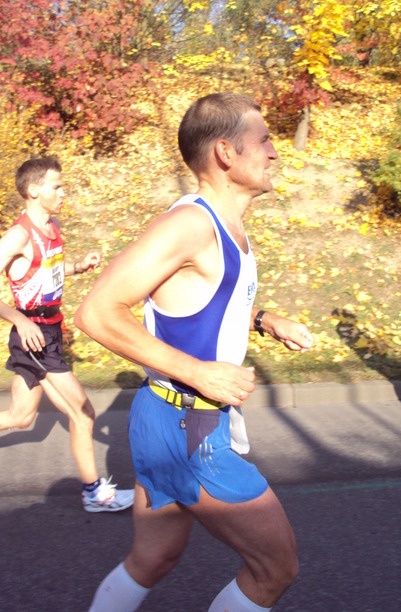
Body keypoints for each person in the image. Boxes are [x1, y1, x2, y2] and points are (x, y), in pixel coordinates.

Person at [75, 93, 314, 610]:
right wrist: (199, 373)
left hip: (168, 418)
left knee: (152, 559)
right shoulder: (191, 225)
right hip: (188, 424)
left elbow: (200, 302)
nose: (274, 152)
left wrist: (265, 320)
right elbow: (96, 311)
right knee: (276, 568)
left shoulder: (224, 225)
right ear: (226, 152)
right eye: (264, 140)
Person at [0, 156, 134, 513]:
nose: (63, 192)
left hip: (50, 332)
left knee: (20, 417)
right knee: (83, 412)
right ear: (33, 190)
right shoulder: (19, 235)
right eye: (56, 186)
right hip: (34, 337)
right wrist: (20, 321)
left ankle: (94, 493)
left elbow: (46, 271)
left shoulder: (52, 227)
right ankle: (94, 493)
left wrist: (77, 266)